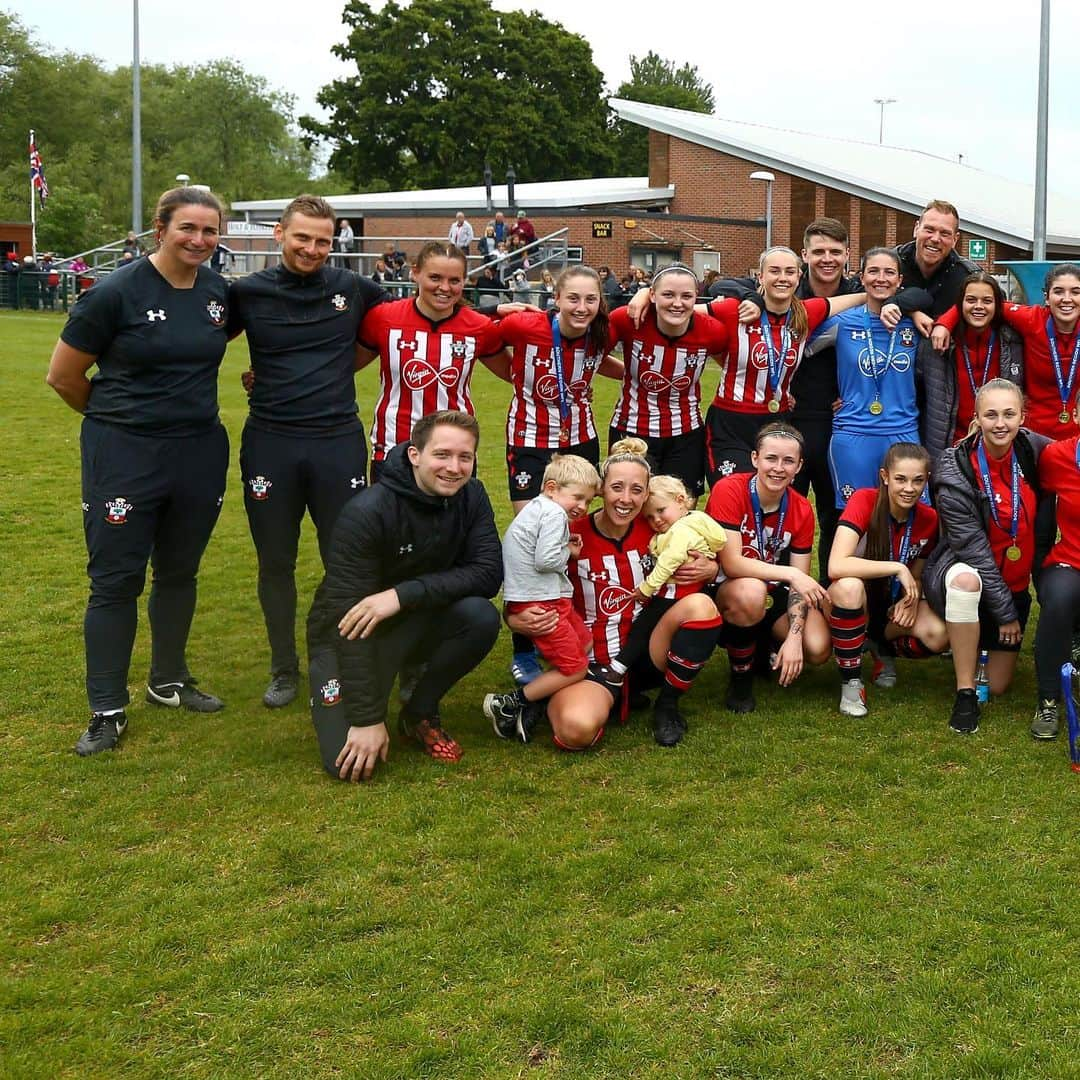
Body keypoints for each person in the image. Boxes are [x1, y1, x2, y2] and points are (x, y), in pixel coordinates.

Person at [45, 186, 230, 756]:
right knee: (115, 581)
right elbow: (64, 377)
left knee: (179, 571)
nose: (199, 240)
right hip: (125, 455)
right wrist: (120, 422)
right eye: (188, 229)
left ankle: (168, 682)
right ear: (160, 229)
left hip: (198, 452)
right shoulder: (114, 292)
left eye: (209, 231)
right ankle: (107, 708)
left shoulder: (219, 292)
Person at [228, 194, 390, 708]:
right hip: (271, 442)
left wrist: (507, 308)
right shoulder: (247, 293)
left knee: (342, 558)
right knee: (275, 560)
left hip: (336, 442)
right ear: (280, 234)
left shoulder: (355, 288)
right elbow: (194, 336)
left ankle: (339, 653)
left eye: (322, 240)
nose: (312, 249)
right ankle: (283, 667)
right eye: (302, 237)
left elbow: (419, 313)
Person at [306, 411, 502, 781]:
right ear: (415, 455)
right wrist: (366, 719)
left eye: (465, 457)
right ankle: (365, 700)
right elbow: (348, 621)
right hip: (347, 633)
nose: (454, 468)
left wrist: (402, 594)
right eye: (441, 455)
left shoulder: (472, 496)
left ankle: (419, 711)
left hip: (414, 615)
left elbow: (489, 574)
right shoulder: (366, 512)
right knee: (345, 765)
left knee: (480, 616)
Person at [506, 439, 723, 748]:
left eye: (637, 490)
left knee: (701, 606)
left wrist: (712, 570)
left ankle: (667, 705)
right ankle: (550, 698)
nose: (626, 499)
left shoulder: (661, 530)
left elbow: (716, 562)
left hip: (648, 650)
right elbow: (522, 582)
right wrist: (514, 620)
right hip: (592, 660)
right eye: (616, 487)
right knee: (575, 730)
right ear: (601, 490)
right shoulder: (568, 532)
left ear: (647, 494)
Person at [633, 246, 866, 484]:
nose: (782, 278)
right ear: (761, 276)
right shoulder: (735, 310)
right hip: (730, 422)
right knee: (732, 492)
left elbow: (862, 297)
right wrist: (643, 294)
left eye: (789, 272)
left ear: (799, 277)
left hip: (778, 420)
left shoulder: (807, 312)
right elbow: (681, 307)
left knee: (770, 495)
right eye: (774, 271)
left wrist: (886, 296)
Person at [923, 379, 1051, 735]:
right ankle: (964, 692)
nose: (1000, 423)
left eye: (1009, 414)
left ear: (1022, 417)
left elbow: (1073, 454)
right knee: (967, 580)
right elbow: (975, 554)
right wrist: (1006, 614)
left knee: (996, 686)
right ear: (975, 419)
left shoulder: (1032, 448)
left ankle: (968, 641)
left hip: (1013, 585)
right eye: (991, 414)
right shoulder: (954, 471)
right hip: (965, 574)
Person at [357, 240, 510, 482]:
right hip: (392, 448)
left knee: (451, 521)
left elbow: (518, 376)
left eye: (454, 281)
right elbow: (345, 367)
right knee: (391, 521)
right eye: (435, 278)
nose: (444, 288)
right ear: (415, 272)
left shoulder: (479, 327)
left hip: (454, 454)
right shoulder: (383, 318)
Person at [706, 423, 831, 713]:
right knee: (751, 592)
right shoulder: (730, 489)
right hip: (726, 589)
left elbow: (798, 585)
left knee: (818, 647)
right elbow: (733, 563)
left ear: (799, 466)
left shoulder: (800, 509)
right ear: (754, 459)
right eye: (771, 458)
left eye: (788, 461)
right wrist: (791, 573)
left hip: (773, 592)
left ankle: (762, 644)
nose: (778, 468)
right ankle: (741, 680)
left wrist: (796, 637)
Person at [483, 455, 600, 742]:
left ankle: (540, 695)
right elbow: (546, 559)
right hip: (541, 603)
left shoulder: (539, 508)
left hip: (547, 597)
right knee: (576, 668)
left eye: (588, 501)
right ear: (551, 488)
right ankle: (510, 703)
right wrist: (569, 552)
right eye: (578, 498)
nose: (583, 507)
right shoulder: (553, 513)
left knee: (584, 642)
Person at [826, 443, 948, 717]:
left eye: (918, 480)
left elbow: (915, 574)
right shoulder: (864, 500)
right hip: (850, 600)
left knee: (939, 635)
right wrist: (895, 568)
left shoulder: (928, 518)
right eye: (900, 479)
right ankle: (851, 681)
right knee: (850, 586)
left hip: (889, 607)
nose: (909, 488)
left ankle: (880, 648)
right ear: (884, 476)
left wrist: (911, 600)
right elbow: (836, 565)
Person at [805, 247, 931, 507]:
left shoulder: (914, 324)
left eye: (889, 272)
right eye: (873, 271)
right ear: (861, 278)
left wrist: (915, 311)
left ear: (900, 281)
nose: (881, 278)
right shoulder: (842, 322)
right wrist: (819, 397)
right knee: (856, 517)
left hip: (903, 432)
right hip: (853, 433)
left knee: (910, 514)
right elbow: (795, 352)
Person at [494, 265, 623, 514]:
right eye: (573, 298)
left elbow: (597, 361)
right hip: (529, 434)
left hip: (580, 435)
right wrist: (514, 375)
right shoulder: (524, 326)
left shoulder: (605, 332)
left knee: (575, 519)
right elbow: (484, 337)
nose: (582, 308)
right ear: (557, 298)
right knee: (530, 521)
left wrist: (630, 376)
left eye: (591, 299)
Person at [608, 264, 745, 497]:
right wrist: (630, 372)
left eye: (686, 296)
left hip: (686, 434)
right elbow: (592, 358)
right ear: (652, 295)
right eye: (668, 295)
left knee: (681, 506)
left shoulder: (713, 332)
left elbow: (730, 365)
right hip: (631, 429)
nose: (677, 303)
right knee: (632, 505)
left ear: (696, 298)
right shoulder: (626, 319)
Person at [590, 472, 726, 687]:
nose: (657, 520)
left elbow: (669, 561)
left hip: (675, 592)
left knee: (643, 627)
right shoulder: (690, 524)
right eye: (650, 517)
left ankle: (618, 668)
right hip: (688, 590)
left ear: (680, 500)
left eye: (661, 511)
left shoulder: (681, 530)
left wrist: (646, 588)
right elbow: (719, 541)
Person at [934, 262, 1080, 441]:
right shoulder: (1031, 319)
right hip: (1034, 437)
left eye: (1075, 292)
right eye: (1058, 291)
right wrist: (944, 323)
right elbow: (982, 303)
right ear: (1047, 297)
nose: (1067, 298)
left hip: (1076, 437)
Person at [917, 271, 1024, 464]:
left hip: (998, 446)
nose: (978, 307)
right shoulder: (937, 343)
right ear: (960, 305)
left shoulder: (1012, 341)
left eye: (987, 301)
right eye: (971, 300)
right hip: (949, 447)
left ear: (997, 305)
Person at [1032, 398, 1080, 737]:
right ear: (1076, 414)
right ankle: (1049, 701)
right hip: (1069, 562)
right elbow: (1041, 515)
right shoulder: (1057, 457)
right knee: (1061, 598)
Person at [895, 199, 979, 316]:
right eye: (929, 230)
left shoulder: (969, 277)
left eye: (944, 233)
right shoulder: (888, 265)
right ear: (916, 229)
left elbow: (996, 307)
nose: (935, 239)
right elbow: (862, 293)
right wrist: (912, 313)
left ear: (955, 239)